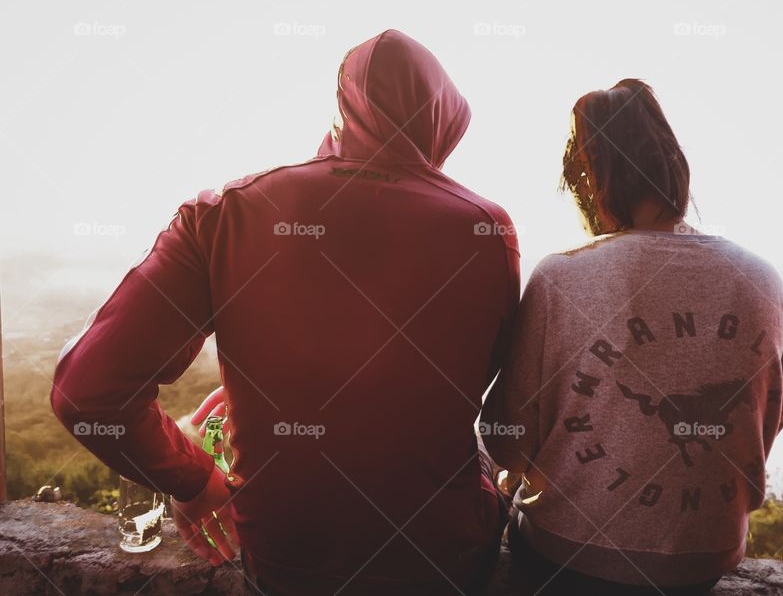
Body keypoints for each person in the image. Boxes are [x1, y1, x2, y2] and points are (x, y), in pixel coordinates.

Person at [51, 29, 519, 595]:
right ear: (443, 121)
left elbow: (87, 389)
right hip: (439, 560)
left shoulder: (226, 213)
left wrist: (194, 480)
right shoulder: (485, 229)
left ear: (341, 112)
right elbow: (471, 384)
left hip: (284, 559)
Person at [480, 79, 783, 595]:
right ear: (675, 167)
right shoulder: (761, 277)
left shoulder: (562, 277)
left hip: (569, 557)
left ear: (591, 181)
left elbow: (507, 438)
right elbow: (768, 418)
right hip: (704, 560)